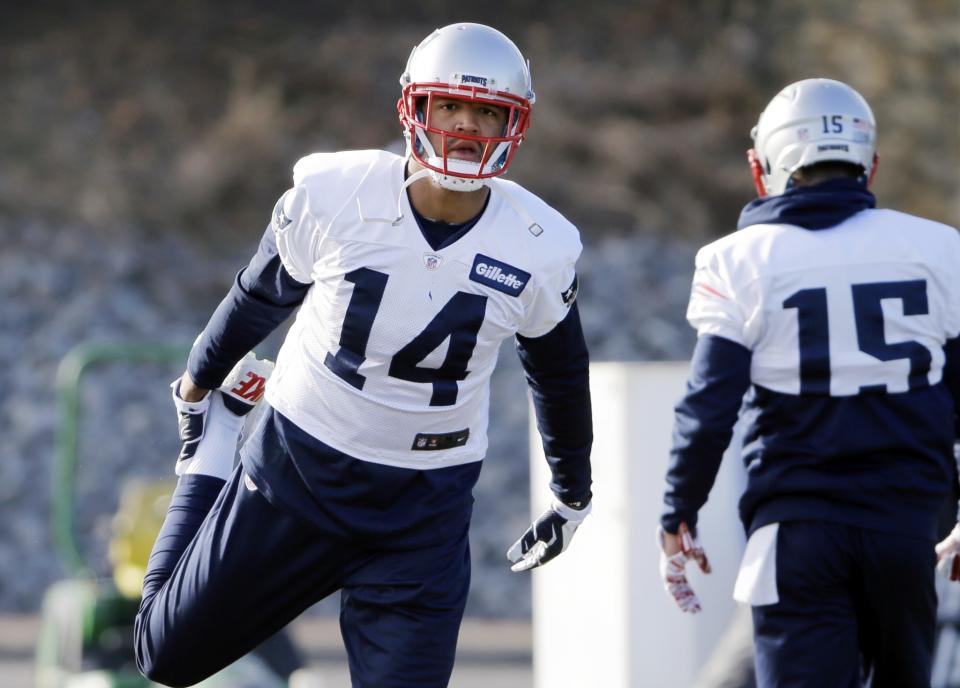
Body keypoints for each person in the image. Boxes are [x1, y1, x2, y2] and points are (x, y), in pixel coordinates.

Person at [134, 22, 593, 688]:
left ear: (514, 124)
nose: (466, 127)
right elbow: (260, 296)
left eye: (486, 112)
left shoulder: (539, 244)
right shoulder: (338, 193)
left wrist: (573, 489)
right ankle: (214, 455)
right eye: (450, 106)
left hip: (423, 510)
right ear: (413, 106)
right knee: (165, 655)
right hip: (298, 470)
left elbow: (558, 371)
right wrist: (201, 386)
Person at [655, 78, 960, 687]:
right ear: (868, 164)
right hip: (907, 527)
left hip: (798, 528)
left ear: (762, 165)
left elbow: (709, 406)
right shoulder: (939, 248)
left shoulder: (737, 260)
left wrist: (678, 509)